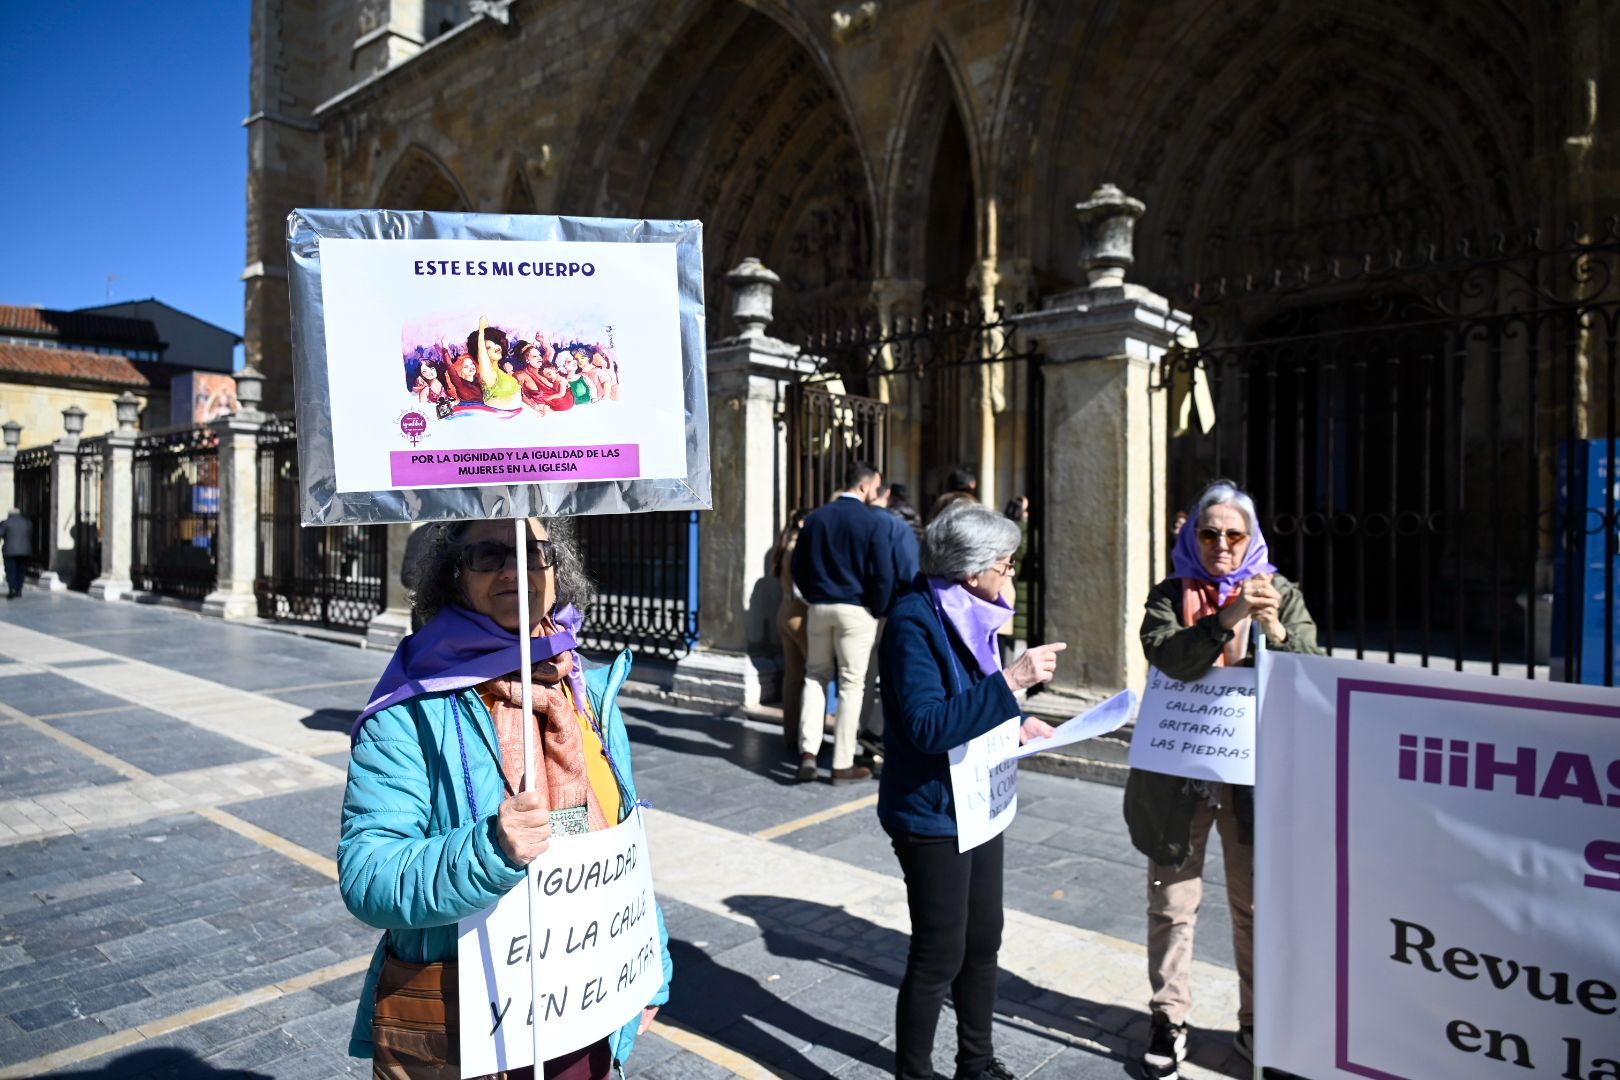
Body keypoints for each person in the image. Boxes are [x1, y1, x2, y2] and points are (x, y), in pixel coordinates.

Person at [340, 516, 673, 1079]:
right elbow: (368, 875)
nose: (515, 569)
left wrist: (650, 965)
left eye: (533, 551)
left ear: (555, 565)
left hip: (584, 1009)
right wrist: (489, 850)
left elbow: (622, 842)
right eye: (488, 555)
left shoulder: (587, 691)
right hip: (464, 1027)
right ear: (454, 574)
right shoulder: (410, 709)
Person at [1126, 480, 1322, 1080]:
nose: (1222, 545)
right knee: (1173, 901)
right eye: (1209, 533)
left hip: (1253, 779)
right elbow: (1171, 658)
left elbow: (1312, 675)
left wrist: (1277, 633)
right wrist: (1230, 616)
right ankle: (1169, 1017)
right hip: (1180, 773)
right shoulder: (1169, 595)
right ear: (1193, 535)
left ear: (1251, 537)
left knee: (1256, 906)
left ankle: (1258, 1022)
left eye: (1234, 534)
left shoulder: (1280, 592)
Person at [877, 504, 1067, 1080]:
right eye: (1007, 565)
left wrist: (1018, 724)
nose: (1012, 576)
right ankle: (914, 1072)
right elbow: (929, 726)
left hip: (980, 799)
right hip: (931, 810)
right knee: (940, 953)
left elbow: (974, 702)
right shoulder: (915, 620)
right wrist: (1013, 682)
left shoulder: (969, 613)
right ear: (971, 570)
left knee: (984, 939)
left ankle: (976, 1063)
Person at [790, 460, 896, 784]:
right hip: (856, 610)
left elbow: (798, 564)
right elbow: (883, 572)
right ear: (864, 486)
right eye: (875, 488)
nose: (875, 494)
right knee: (852, 685)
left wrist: (812, 596)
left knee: (814, 676)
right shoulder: (873, 521)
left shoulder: (818, 518)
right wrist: (876, 609)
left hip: (820, 607)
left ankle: (808, 752)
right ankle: (841, 763)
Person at [856, 483, 923, 764]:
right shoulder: (900, 528)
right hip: (886, 611)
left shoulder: (862, 521)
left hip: (857, 607)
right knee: (885, 678)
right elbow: (907, 574)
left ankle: (859, 740)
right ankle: (873, 737)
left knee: (859, 680)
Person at [771, 510, 810, 758]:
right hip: (799, 612)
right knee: (812, 677)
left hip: (783, 612)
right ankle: (808, 740)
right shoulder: (799, 547)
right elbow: (801, 587)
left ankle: (790, 735)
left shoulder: (785, 543)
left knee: (793, 677)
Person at [0, 507, 33, 599]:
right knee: (21, 571)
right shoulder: (27, 522)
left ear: (9, 514)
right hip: (25, 551)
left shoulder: (5, 522)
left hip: (10, 552)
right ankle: (19, 590)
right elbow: (30, 534)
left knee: (11, 571)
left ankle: (12, 590)